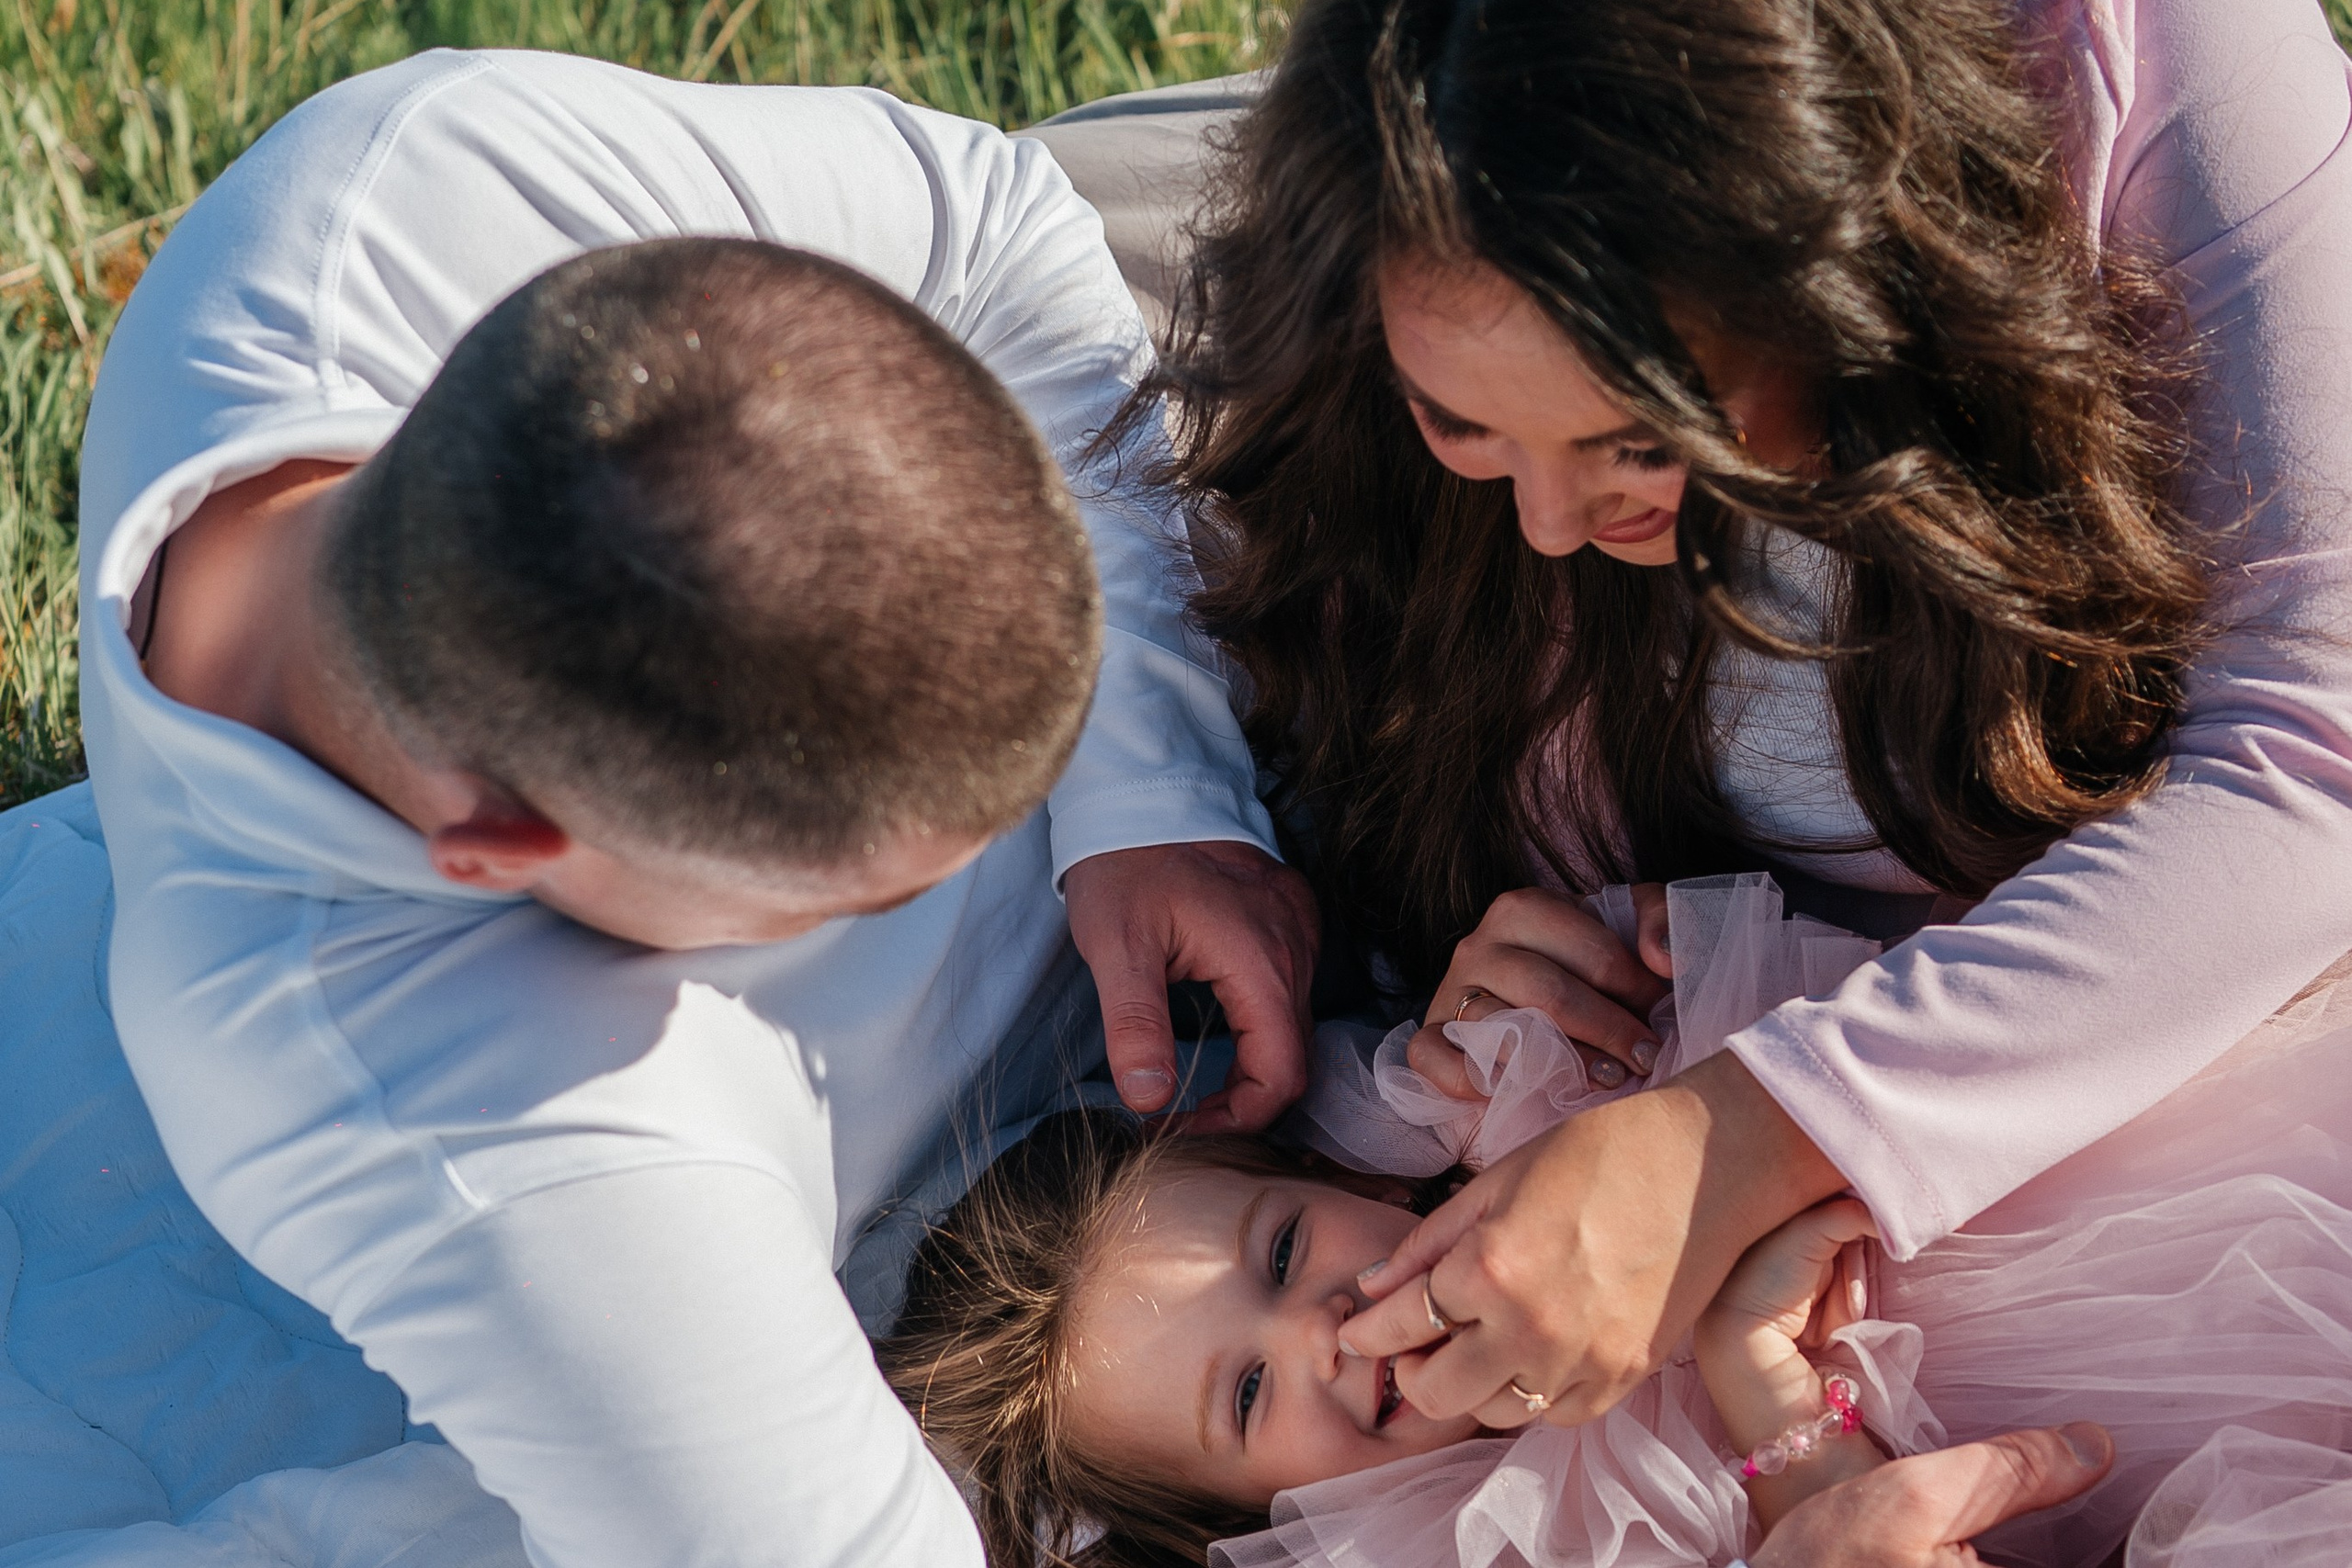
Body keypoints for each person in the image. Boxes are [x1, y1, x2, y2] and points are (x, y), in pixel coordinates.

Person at [74, 49, 1319, 1566]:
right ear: (501, 852)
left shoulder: (403, 189)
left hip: (1189, 510)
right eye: (852, 900)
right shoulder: (473, 1127)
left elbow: (998, 230)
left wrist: (1147, 788)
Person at [1134, 0, 2352, 1449]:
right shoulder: (1374, 265)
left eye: (1642, 442)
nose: (1549, 519)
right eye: (1463, 421)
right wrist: (1462, 1011)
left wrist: (1743, 1136)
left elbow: (2309, 759)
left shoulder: (2151, 66)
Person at [875, 876, 2352, 1567]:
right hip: (2170, 1483)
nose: (1319, 1332)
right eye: (1248, 1394)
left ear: (1350, 1186)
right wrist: (1783, 1442)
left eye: (1281, 1254)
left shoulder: (1532, 1120)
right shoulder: (1490, 1551)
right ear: (1255, 1518)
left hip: (2181, 1200)